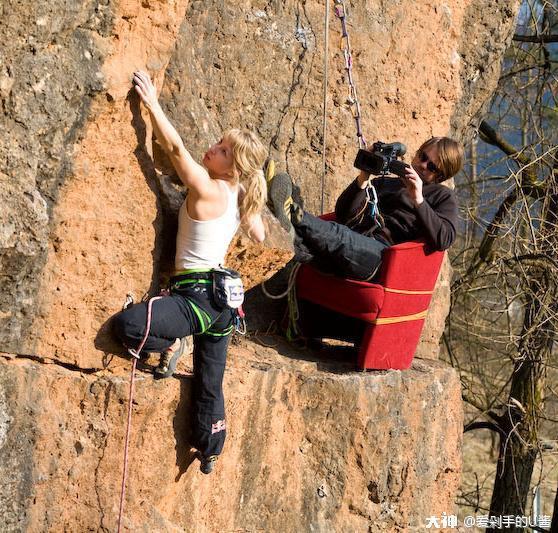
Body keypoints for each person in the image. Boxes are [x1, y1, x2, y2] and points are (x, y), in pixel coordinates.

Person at [112, 70, 267, 474]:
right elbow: (261, 231)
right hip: (222, 306)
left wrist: (152, 105)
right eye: (219, 143)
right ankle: (211, 447)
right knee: (210, 380)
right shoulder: (239, 195)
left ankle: (168, 343)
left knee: (129, 326)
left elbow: (176, 150)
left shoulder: (210, 189)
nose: (212, 149)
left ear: (233, 167)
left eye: (223, 150)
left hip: (194, 298)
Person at [268, 137, 463, 341]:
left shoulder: (442, 196)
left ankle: (292, 212)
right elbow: (343, 214)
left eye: (431, 166)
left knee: (339, 236)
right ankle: (284, 216)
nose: (423, 165)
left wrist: (419, 200)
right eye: (423, 157)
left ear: (440, 175)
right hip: (354, 245)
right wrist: (364, 177)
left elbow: (445, 238)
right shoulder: (387, 182)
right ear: (417, 152)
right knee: (317, 245)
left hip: (382, 259)